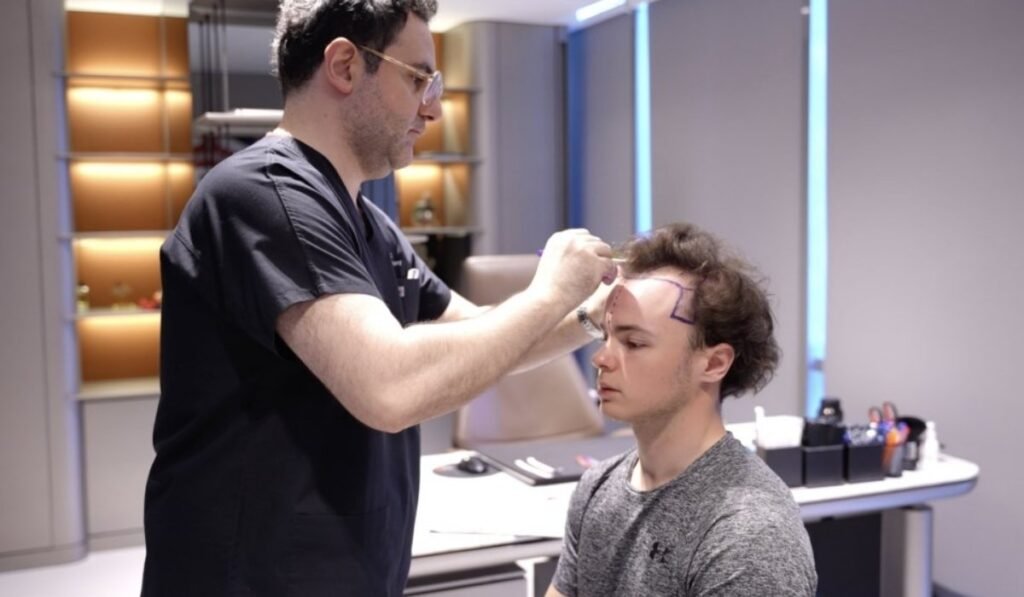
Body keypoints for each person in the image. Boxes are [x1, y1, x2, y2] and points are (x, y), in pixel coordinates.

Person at [141, 1, 615, 595]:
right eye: (418, 79)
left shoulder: (367, 223)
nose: (432, 107)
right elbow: (390, 390)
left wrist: (595, 315)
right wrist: (548, 293)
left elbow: (487, 335)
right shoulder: (263, 194)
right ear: (344, 65)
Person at [547, 222, 817, 597]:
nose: (600, 358)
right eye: (606, 337)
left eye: (634, 343)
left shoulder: (749, 535)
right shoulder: (597, 489)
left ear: (714, 363)